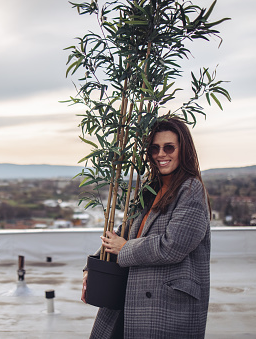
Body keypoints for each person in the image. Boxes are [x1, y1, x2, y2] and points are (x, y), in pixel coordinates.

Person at [82, 116, 211, 338]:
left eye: (169, 147)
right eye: (155, 148)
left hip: (166, 303)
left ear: (183, 149)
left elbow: (173, 246)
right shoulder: (151, 188)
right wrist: (94, 267)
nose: (161, 154)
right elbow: (126, 230)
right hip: (130, 294)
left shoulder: (191, 189)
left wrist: (125, 249)